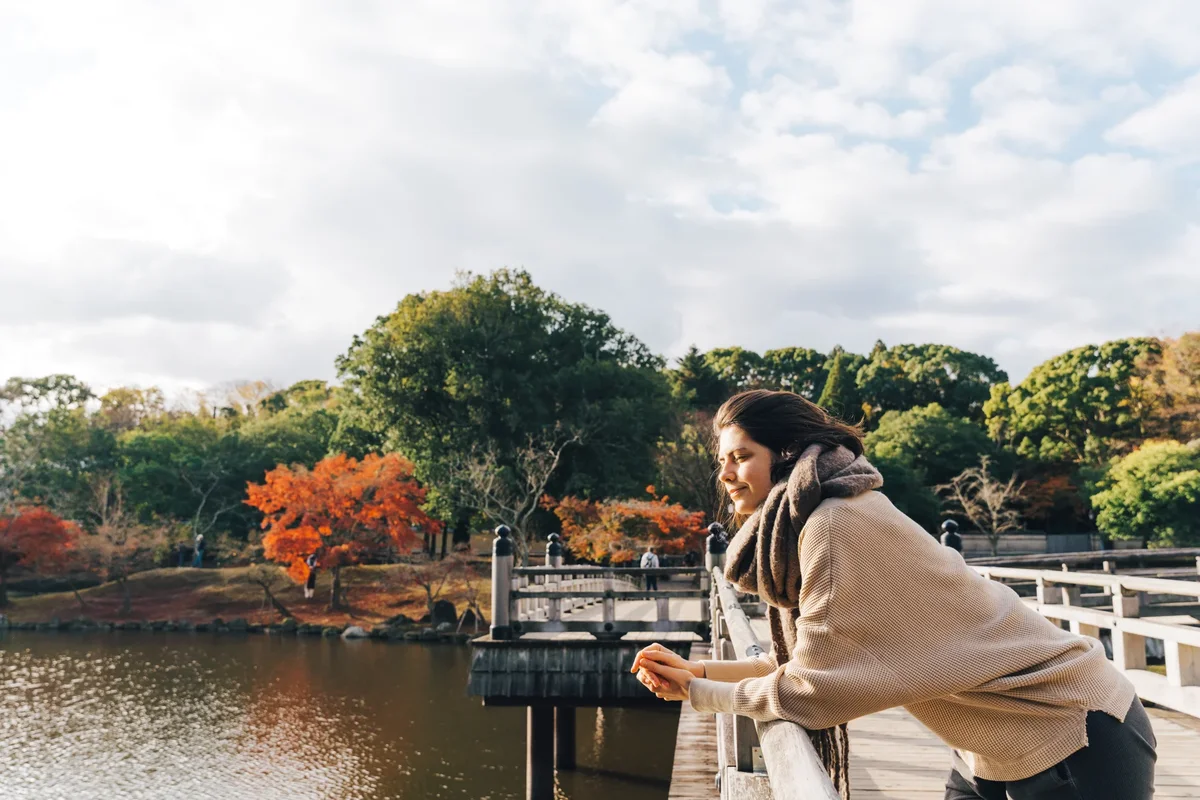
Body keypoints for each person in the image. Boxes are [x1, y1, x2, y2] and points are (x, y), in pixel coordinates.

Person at [631, 390, 1154, 800]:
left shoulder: (835, 524)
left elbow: (816, 690)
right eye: (723, 460)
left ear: (786, 453)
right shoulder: (819, 518)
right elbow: (814, 659)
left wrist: (700, 694)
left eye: (740, 457)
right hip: (994, 746)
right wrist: (697, 671)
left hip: (1073, 734)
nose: (724, 474)